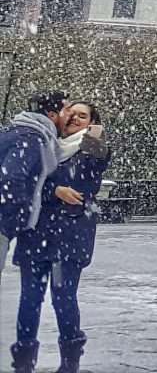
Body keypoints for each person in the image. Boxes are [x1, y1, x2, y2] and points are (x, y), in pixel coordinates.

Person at [11, 102, 105, 373]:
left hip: (70, 237)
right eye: (71, 113)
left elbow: (85, 182)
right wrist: (54, 190)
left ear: (92, 123)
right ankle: (24, 360)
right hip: (35, 234)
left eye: (82, 115)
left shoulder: (91, 150)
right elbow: (27, 180)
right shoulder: (44, 145)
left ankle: (69, 361)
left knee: (63, 298)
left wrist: (96, 139)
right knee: (30, 298)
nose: (74, 118)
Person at [0, 95, 76, 263]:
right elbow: (10, 179)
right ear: (52, 115)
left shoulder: (15, 131)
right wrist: (18, 214)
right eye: (68, 111)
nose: (72, 116)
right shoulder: (31, 137)